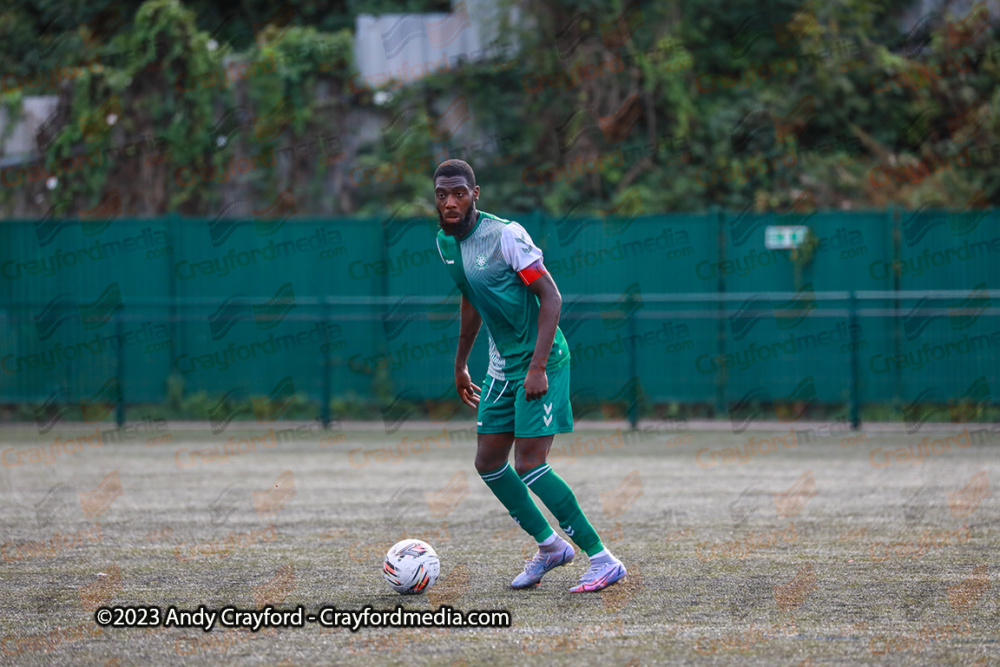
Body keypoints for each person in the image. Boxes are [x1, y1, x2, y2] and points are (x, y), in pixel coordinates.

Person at [431, 158, 626, 592]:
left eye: (459, 192)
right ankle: (550, 547)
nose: (450, 201)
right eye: (442, 194)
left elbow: (551, 297)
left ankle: (602, 559)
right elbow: (470, 302)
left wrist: (537, 367)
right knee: (489, 463)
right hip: (502, 367)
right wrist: (461, 363)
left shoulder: (506, 235)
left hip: (543, 360)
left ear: (475, 194)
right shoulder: (445, 244)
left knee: (530, 465)